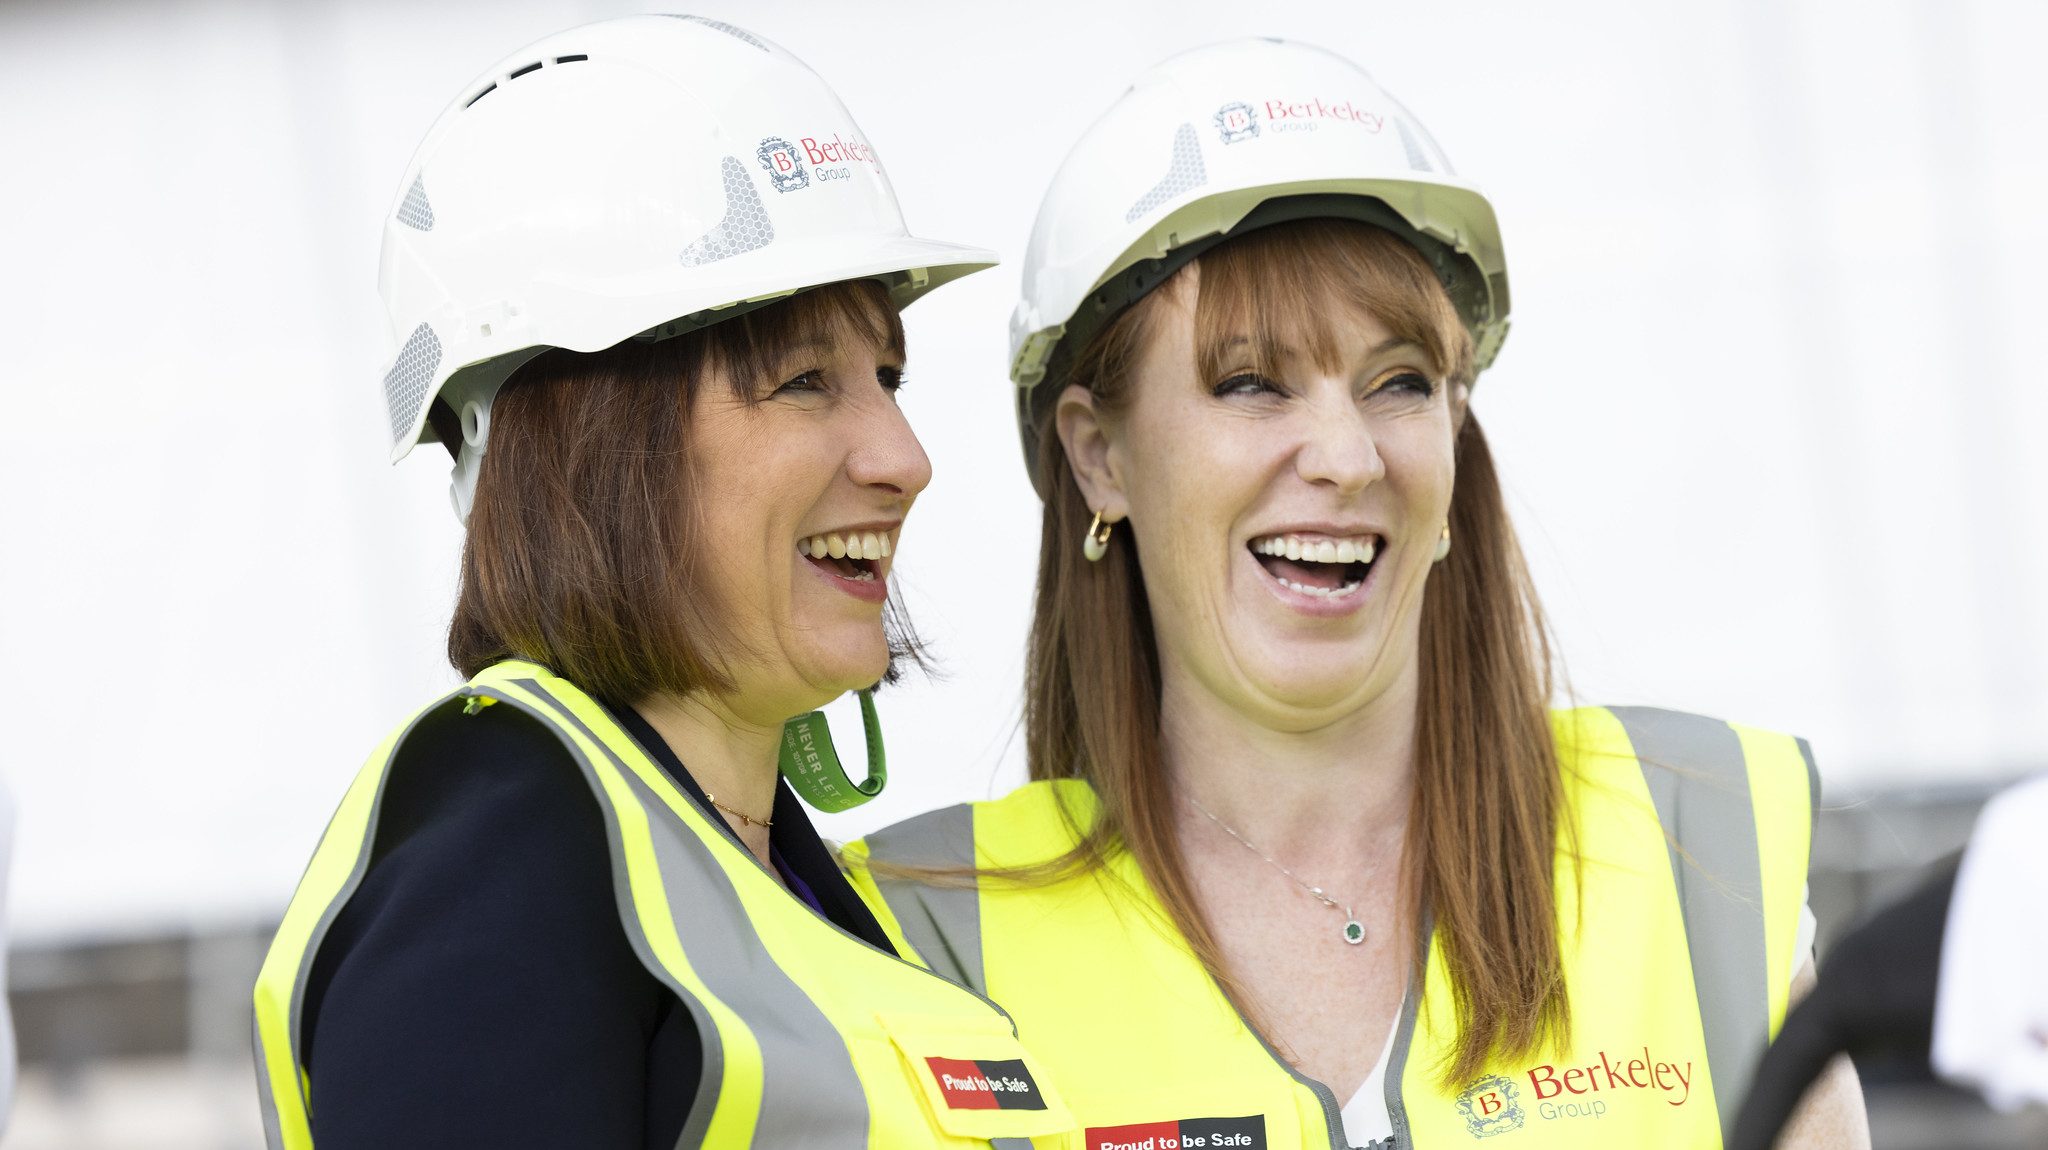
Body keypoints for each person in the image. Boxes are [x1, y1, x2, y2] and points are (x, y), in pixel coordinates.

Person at [851, 38, 1868, 1148]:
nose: (1345, 455)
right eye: (1249, 382)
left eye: (1398, 382)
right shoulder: (924, 939)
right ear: (1099, 457)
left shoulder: (1693, 849)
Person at [250, 16, 1073, 1149]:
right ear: (586, 441)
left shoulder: (757, 874)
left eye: (886, 375)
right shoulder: (504, 863)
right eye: (802, 381)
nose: (905, 458)